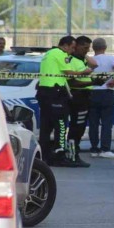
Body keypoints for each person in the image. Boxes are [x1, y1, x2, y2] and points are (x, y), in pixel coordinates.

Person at [36, 36, 86, 167]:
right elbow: (69, 73)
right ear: (65, 45)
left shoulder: (49, 53)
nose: (73, 51)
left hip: (44, 92)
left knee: (46, 127)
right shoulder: (60, 54)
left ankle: (45, 156)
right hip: (55, 93)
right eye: (72, 47)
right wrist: (85, 72)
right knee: (61, 125)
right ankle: (60, 155)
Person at [88, 38, 114, 159]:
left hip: (92, 92)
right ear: (105, 47)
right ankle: (105, 149)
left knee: (93, 122)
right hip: (106, 92)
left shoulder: (90, 60)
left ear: (93, 48)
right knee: (106, 122)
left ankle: (94, 149)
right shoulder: (111, 58)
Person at [65, 35, 97, 167]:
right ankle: (72, 156)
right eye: (84, 48)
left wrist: (84, 55)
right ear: (76, 46)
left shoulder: (82, 60)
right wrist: (92, 82)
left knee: (80, 128)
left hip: (85, 97)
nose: (87, 51)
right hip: (77, 97)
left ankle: (73, 155)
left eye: (88, 48)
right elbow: (71, 82)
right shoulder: (70, 60)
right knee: (76, 129)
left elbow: (94, 64)